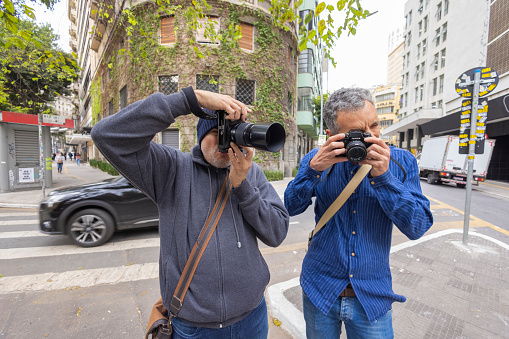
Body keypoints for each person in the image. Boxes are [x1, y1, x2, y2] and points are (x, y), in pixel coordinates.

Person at [91, 87, 289, 338]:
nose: (225, 144)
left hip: (252, 317)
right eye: (217, 133)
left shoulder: (253, 174)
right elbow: (106, 135)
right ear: (201, 134)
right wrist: (189, 99)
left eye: (232, 136)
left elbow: (277, 233)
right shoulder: (172, 168)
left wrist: (243, 186)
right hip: (194, 327)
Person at [284, 88, 433, 339]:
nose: (369, 137)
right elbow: (290, 207)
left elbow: (418, 226)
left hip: (372, 294)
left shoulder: (401, 162)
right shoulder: (316, 159)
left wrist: (384, 178)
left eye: (374, 126)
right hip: (320, 288)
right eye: (356, 132)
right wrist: (312, 171)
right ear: (331, 135)